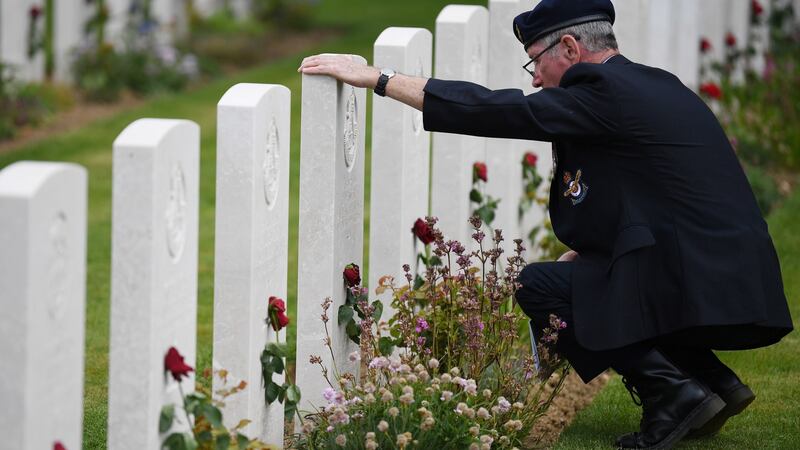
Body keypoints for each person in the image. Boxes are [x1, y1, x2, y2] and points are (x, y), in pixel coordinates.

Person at [297, 0, 794, 448]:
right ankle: (714, 385)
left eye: (536, 61)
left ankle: (673, 397)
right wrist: (593, 250)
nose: (534, 78)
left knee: (541, 285)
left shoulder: (601, 90)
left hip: (695, 277)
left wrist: (382, 80)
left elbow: (500, 110)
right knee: (587, 278)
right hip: (728, 277)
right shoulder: (651, 82)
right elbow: (649, 190)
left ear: (571, 47)